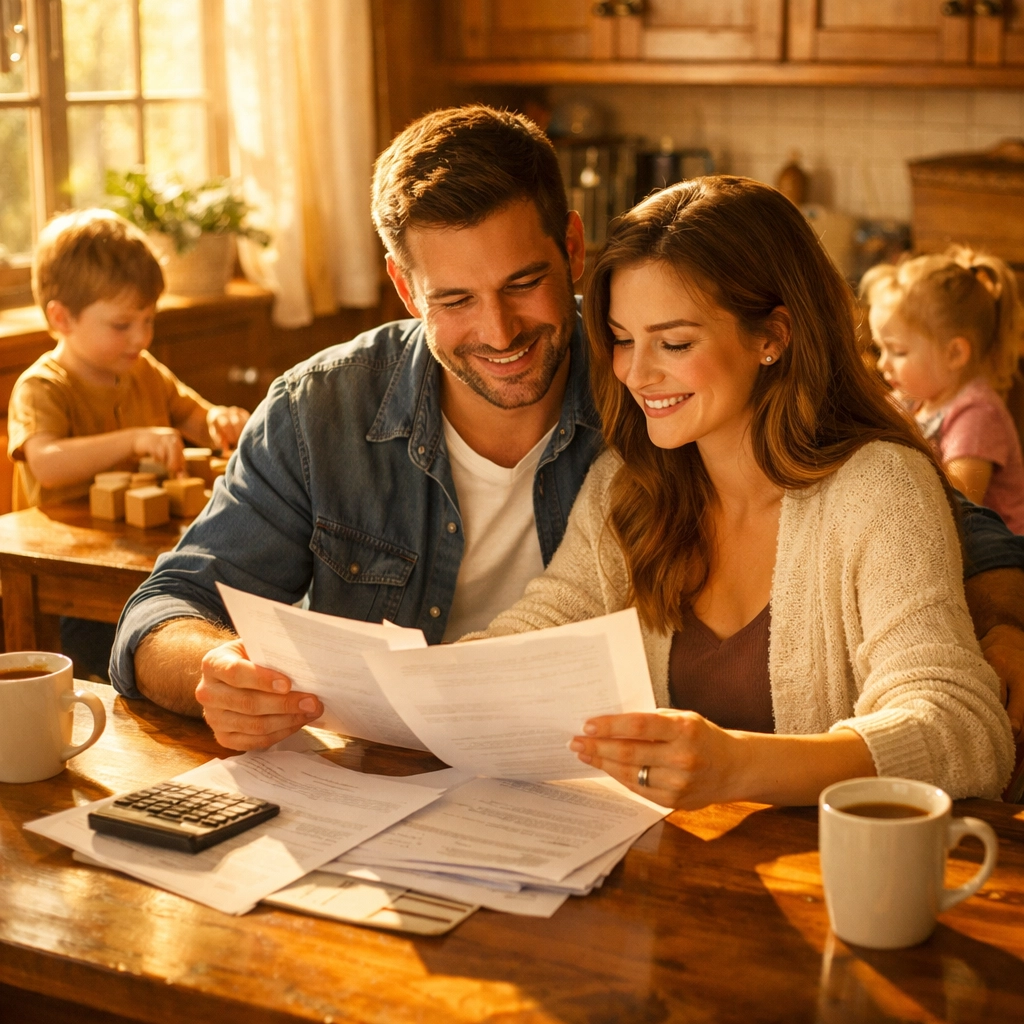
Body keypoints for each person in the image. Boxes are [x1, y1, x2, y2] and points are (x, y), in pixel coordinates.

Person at [108, 105, 1024, 750]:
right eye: (456, 301)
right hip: (419, 782)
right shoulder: (326, 410)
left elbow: (936, 521)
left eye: (522, 285)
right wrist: (216, 673)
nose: (500, 334)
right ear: (403, 290)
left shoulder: (647, 395)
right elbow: (161, 609)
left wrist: (990, 630)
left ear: (573, 251)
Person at [473, 177, 1014, 806]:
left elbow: (962, 725)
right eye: (623, 339)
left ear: (772, 337)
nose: (636, 374)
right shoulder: (628, 485)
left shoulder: (878, 490)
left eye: (674, 343)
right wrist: (382, 691)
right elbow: (540, 625)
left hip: (832, 885)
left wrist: (739, 767)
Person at [8, 209, 249, 677]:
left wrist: (217, 420)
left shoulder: (143, 369)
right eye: (122, 324)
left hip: (145, 556)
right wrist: (134, 441)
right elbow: (47, 463)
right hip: (73, 572)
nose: (140, 337)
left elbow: (192, 416)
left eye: (148, 320)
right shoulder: (43, 386)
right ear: (61, 317)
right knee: (99, 664)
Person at [863, 247, 1024, 534]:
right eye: (880, 348)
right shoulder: (913, 399)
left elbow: (957, 504)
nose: (882, 363)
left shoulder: (977, 416)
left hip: (993, 551)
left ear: (954, 355)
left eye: (898, 351)